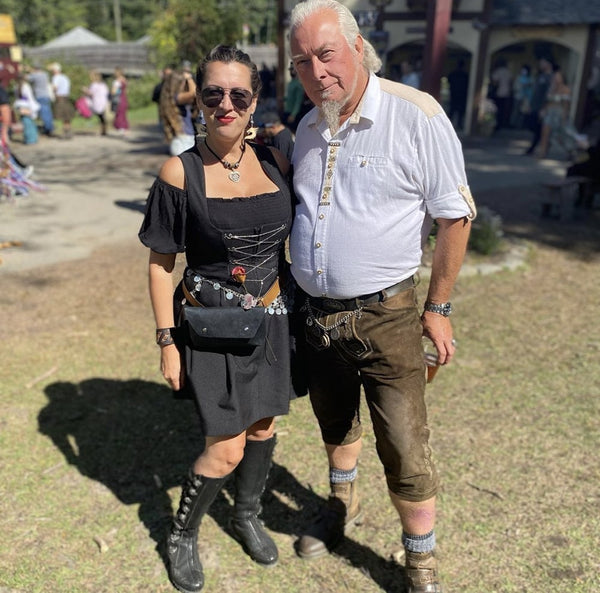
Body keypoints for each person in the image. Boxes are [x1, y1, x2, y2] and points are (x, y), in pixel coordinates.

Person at [287, 2, 477, 592]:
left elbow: (456, 216)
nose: (316, 71)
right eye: (301, 61)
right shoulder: (308, 125)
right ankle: (338, 509)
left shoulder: (415, 115)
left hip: (388, 317)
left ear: (356, 45)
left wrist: (438, 309)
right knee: (334, 424)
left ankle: (419, 562)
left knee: (404, 445)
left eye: (325, 54)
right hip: (317, 318)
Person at [138, 45, 294, 593]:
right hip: (211, 328)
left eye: (239, 94)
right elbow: (161, 265)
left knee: (265, 425)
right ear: (197, 100)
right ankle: (182, 534)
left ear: (255, 100)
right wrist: (166, 341)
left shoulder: (279, 157)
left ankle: (246, 513)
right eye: (213, 94)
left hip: (272, 320)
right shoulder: (179, 172)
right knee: (224, 447)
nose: (225, 104)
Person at [537, 65, 571, 159]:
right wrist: (544, 110)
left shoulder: (565, 89)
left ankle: (570, 151)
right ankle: (542, 152)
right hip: (549, 112)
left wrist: (564, 116)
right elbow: (547, 101)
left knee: (560, 135)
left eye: (558, 77)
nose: (556, 79)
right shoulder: (551, 88)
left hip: (558, 113)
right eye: (555, 77)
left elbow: (566, 105)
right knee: (545, 133)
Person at [524, 57, 553, 155]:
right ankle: (537, 146)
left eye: (543, 63)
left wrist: (544, 108)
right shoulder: (541, 76)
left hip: (541, 107)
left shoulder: (550, 78)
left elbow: (548, 95)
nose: (541, 65)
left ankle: (536, 147)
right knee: (533, 126)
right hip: (534, 106)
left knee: (538, 127)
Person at [26, 62, 55, 136]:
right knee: (48, 112)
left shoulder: (35, 75)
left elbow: (27, 78)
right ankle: (50, 127)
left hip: (40, 95)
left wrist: (28, 70)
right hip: (46, 95)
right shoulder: (45, 74)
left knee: (44, 113)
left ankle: (48, 129)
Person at [49, 62, 74, 139]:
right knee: (67, 116)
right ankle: (68, 131)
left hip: (60, 97)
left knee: (63, 115)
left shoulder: (56, 77)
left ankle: (65, 132)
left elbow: (55, 87)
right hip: (66, 97)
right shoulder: (65, 77)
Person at [14, 73, 40, 144]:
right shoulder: (26, 86)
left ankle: (28, 138)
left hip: (20, 105)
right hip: (27, 105)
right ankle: (31, 139)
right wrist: (33, 107)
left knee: (25, 122)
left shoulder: (16, 86)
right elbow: (30, 97)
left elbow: (17, 97)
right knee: (29, 122)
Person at [82, 70, 109, 136]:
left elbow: (90, 93)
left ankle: (101, 128)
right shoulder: (103, 85)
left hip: (96, 102)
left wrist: (85, 90)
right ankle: (104, 129)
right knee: (101, 116)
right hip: (103, 102)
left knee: (99, 115)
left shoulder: (93, 85)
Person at [283, 62, 307, 132]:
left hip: (293, 113)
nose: (291, 72)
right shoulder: (291, 83)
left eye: (292, 70)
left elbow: (298, 101)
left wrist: (293, 115)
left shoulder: (298, 84)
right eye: (290, 70)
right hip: (287, 110)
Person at [490, 58, 512, 131]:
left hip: (498, 93)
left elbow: (495, 82)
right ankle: (502, 124)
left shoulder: (497, 71)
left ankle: (496, 125)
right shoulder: (508, 72)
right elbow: (510, 82)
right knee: (503, 110)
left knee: (496, 110)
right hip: (506, 94)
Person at [447, 59, 469, 130]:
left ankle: (448, 125)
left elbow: (449, 81)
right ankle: (459, 125)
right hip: (462, 95)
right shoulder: (465, 75)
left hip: (454, 94)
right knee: (460, 112)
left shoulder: (453, 74)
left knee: (452, 110)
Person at [111, 67, 129, 134]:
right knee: (123, 113)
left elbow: (113, 91)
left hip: (118, 98)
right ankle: (125, 127)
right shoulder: (124, 80)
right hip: (124, 98)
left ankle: (120, 127)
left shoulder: (117, 81)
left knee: (119, 113)